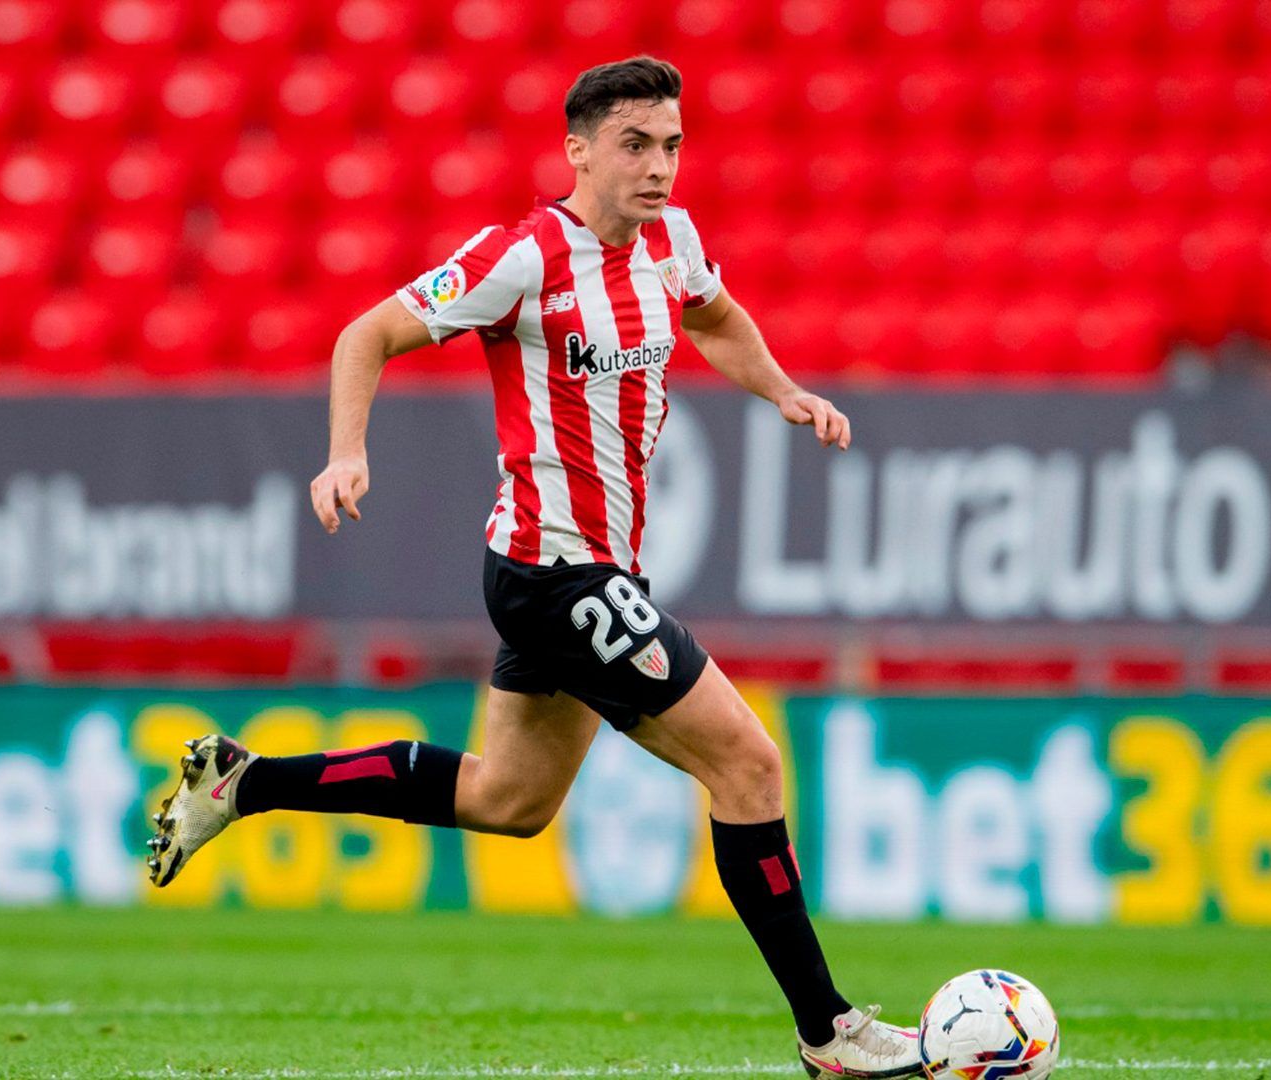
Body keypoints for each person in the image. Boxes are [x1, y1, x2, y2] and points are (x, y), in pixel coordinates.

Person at [145, 55, 921, 1079]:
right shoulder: (523, 258)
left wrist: (782, 391)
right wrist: (346, 452)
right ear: (579, 150)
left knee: (508, 801)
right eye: (636, 145)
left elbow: (716, 317)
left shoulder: (673, 244)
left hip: (592, 573)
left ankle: (246, 785)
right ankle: (828, 1031)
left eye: (673, 145)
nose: (659, 168)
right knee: (751, 764)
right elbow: (366, 333)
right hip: (555, 572)